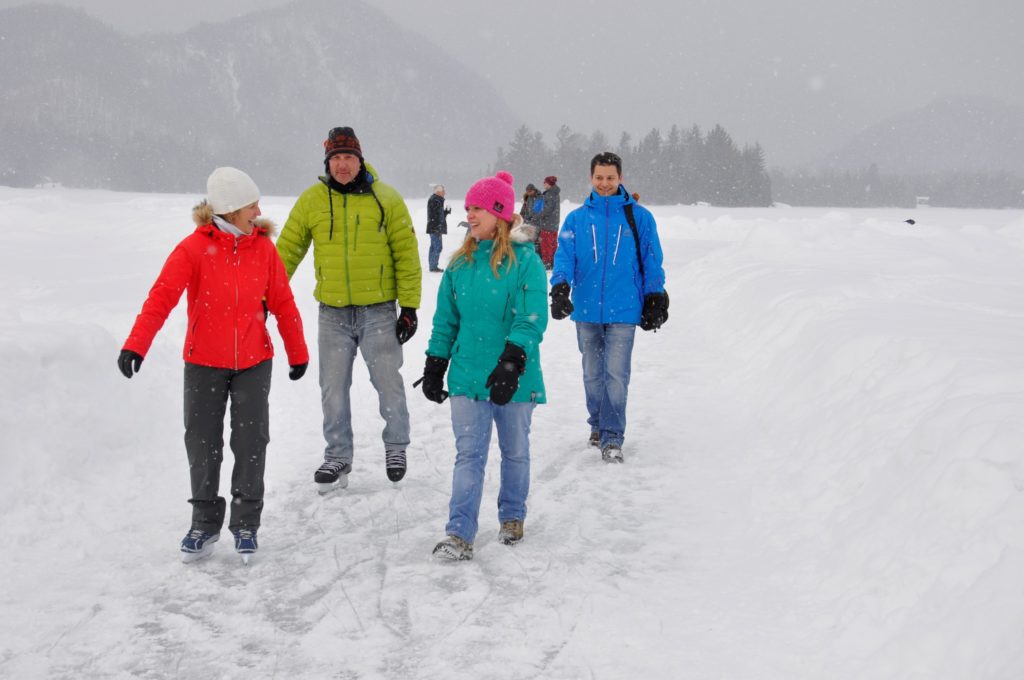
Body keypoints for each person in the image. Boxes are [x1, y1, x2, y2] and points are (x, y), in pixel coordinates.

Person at [118, 166, 310, 563]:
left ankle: (245, 524)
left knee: (251, 441)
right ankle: (204, 523)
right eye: (251, 204)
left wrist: (298, 352)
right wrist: (136, 345)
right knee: (203, 442)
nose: (259, 210)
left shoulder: (264, 249)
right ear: (231, 209)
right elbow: (161, 299)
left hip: (254, 361)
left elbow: (283, 304)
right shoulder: (192, 249)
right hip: (204, 361)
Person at [276, 126, 422, 491]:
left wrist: (410, 307)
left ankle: (396, 446)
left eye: (349, 157)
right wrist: (265, 295)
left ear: (361, 160)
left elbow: (406, 254)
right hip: (333, 314)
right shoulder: (311, 200)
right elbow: (287, 251)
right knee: (333, 388)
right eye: (336, 158)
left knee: (388, 383)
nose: (343, 165)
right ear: (328, 162)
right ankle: (338, 454)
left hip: (378, 312)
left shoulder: (385, 199)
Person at [417, 171, 548, 560]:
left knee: (515, 451)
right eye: (469, 207)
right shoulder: (460, 264)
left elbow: (531, 317)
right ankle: (459, 533)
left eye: (477, 208)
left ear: (500, 214)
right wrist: (436, 362)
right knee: (468, 455)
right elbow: (446, 321)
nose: (469, 215)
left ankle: (512, 515)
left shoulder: (526, 263)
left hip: (515, 377)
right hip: (468, 374)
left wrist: (512, 362)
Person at [549, 152, 669, 463]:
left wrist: (654, 295)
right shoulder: (577, 218)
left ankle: (612, 436)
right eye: (599, 178)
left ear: (620, 178)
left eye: (610, 178)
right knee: (592, 374)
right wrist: (560, 286)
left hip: (624, 308)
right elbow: (564, 256)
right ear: (591, 178)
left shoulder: (639, 217)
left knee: (615, 374)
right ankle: (597, 425)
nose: (605, 184)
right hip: (587, 309)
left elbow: (652, 259)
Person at [533, 175, 561, 268]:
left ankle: (547, 263)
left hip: (547, 224)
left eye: (545, 182)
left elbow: (547, 209)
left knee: (546, 244)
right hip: (554, 223)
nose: (543, 184)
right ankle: (553, 261)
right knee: (553, 244)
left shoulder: (550, 194)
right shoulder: (555, 193)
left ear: (549, 184)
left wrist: (538, 215)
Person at [426, 184, 451, 272]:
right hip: (435, 227)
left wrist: (445, 213)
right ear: (438, 192)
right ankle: (433, 266)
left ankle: (432, 265)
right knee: (437, 247)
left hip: (434, 227)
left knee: (434, 246)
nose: (445, 193)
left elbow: (437, 215)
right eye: (443, 191)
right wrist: (438, 225)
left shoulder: (436, 200)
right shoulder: (436, 200)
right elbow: (435, 216)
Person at [520, 183, 541, 252]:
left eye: (530, 191)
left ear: (533, 190)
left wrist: (532, 219)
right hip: (527, 221)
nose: (528, 193)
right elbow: (524, 210)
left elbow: (537, 211)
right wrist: (522, 218)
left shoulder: (539, 197)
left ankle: (535, 253)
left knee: (535, 239)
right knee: (526, 238)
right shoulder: (528, 198)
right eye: (527, 191)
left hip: (536, 222)